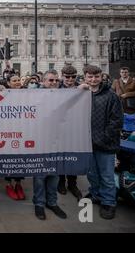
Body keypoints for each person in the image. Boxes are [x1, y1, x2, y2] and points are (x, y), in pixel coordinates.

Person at [80, 65, 123, 220]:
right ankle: (96, 194)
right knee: (92, 174)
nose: (93, 79)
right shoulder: (81, 94)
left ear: (101, 77)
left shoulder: (111, 96)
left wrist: (104, 137)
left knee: (107, 176)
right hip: (87, 143)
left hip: (106, 143)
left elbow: (116, 121)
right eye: (90, 77)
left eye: (96, 76)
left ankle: (109, 202)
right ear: (85, 77)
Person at [33, 70, 67, 220]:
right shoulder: (33, 95)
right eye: (50, 80)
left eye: (56, 80)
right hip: (39, 140)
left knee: (55, 173)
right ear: (43, 81)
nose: (53, 83)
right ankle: (39, 203)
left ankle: (52, 202)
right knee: (40, 175)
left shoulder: (64, 95)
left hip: (58, 140)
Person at [57, 65, 83, 200]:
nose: (70, 79)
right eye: (67, 77)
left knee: (74, 156)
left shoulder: (83, 89)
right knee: (61, 156)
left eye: (73, 77)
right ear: (62, 76)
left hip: (76, 127)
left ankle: (73, 184)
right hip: (60, 127)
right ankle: (61, 182)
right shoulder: (56, 88)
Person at [3, 75, 26, 201]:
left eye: (18, 80)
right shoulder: (4, 93)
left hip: (23, 130)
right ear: (8, 83)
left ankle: (18, 184)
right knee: (9, 158)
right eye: (14, 81)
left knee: (20, 157)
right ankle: (9, 184)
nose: (17, 82)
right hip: (8, 130)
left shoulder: (27, 93)